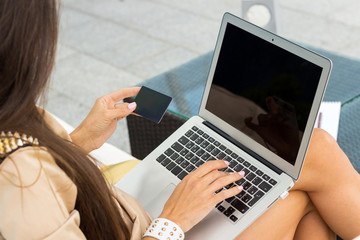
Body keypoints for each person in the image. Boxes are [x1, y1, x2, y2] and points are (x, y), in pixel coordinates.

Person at [0, 1, 359, 240]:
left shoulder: (13, 129)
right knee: (305, 178)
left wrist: (76, 145)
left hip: (125, 212)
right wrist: (174, 221)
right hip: (154, 230)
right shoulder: (18, 180)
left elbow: (52, 194)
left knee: (304, 165)